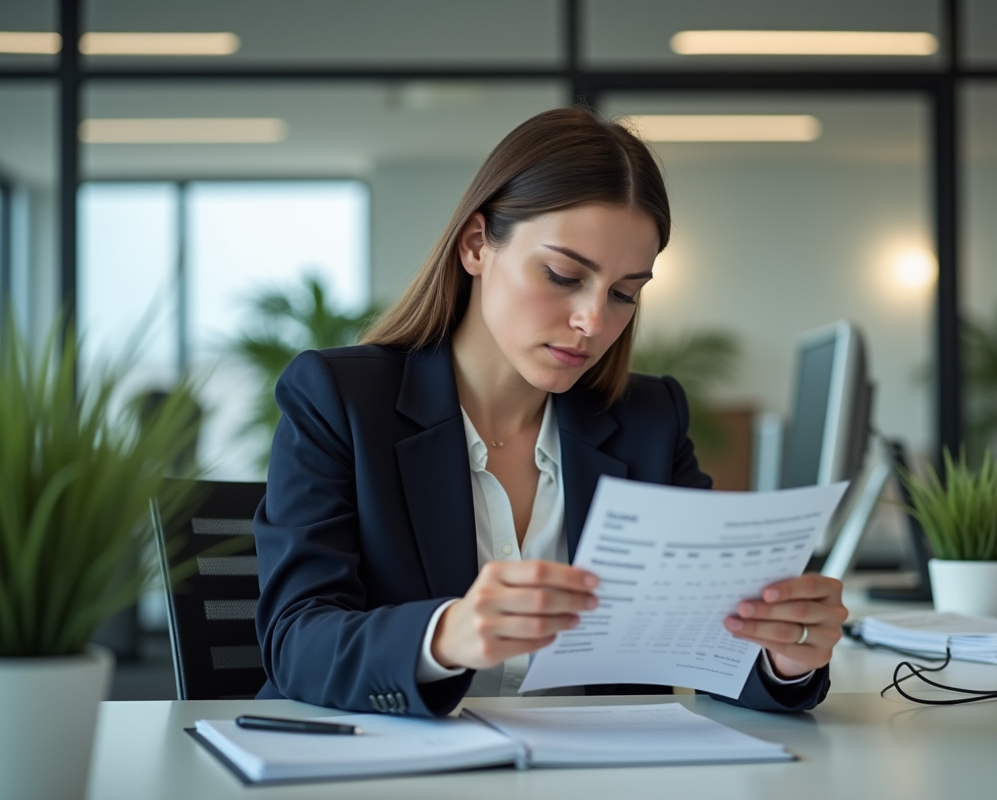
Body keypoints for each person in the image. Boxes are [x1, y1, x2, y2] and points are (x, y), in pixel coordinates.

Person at [254, 107, 849, 717]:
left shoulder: (649, 418)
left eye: (624, 294)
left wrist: (784, 654)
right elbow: (296, 639)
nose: (593, 322)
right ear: (477, 245)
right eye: (564, 275)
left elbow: (704, 645)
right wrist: (446, 634)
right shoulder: (339, 398)